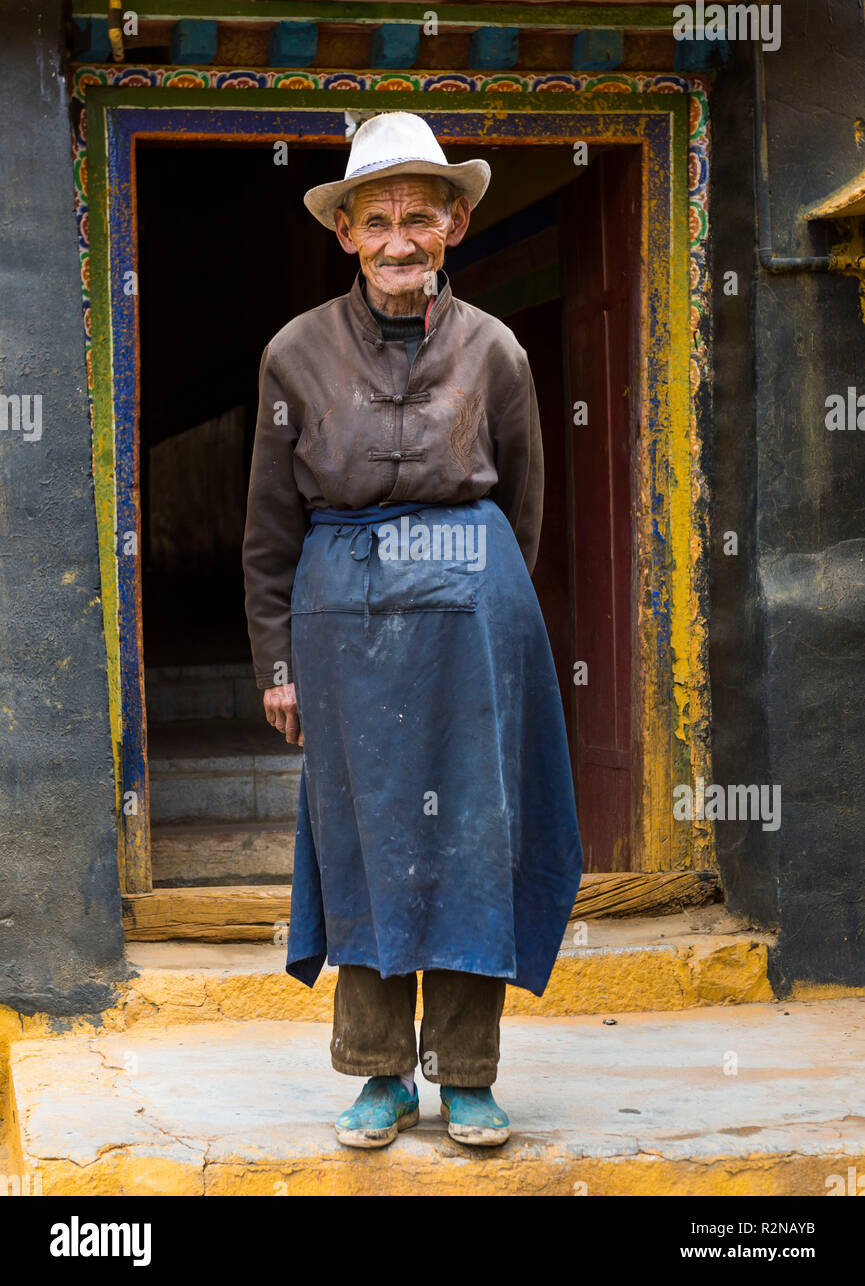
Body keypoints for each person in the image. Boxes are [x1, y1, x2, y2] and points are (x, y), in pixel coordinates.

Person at [242, 111, 582, 1149]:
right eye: (376, 219)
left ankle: (467, 1074)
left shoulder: (496, 350)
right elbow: (267, 527)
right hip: (341, 630)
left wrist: (486, 611)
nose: (399, 240)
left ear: (455, 225)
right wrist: (279, 663)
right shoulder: (293, 355)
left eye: (419, 218)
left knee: (477, 839)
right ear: (345, 232)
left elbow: (521, 503)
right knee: (366, 839)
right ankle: (380, 1075)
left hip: (475, 629)